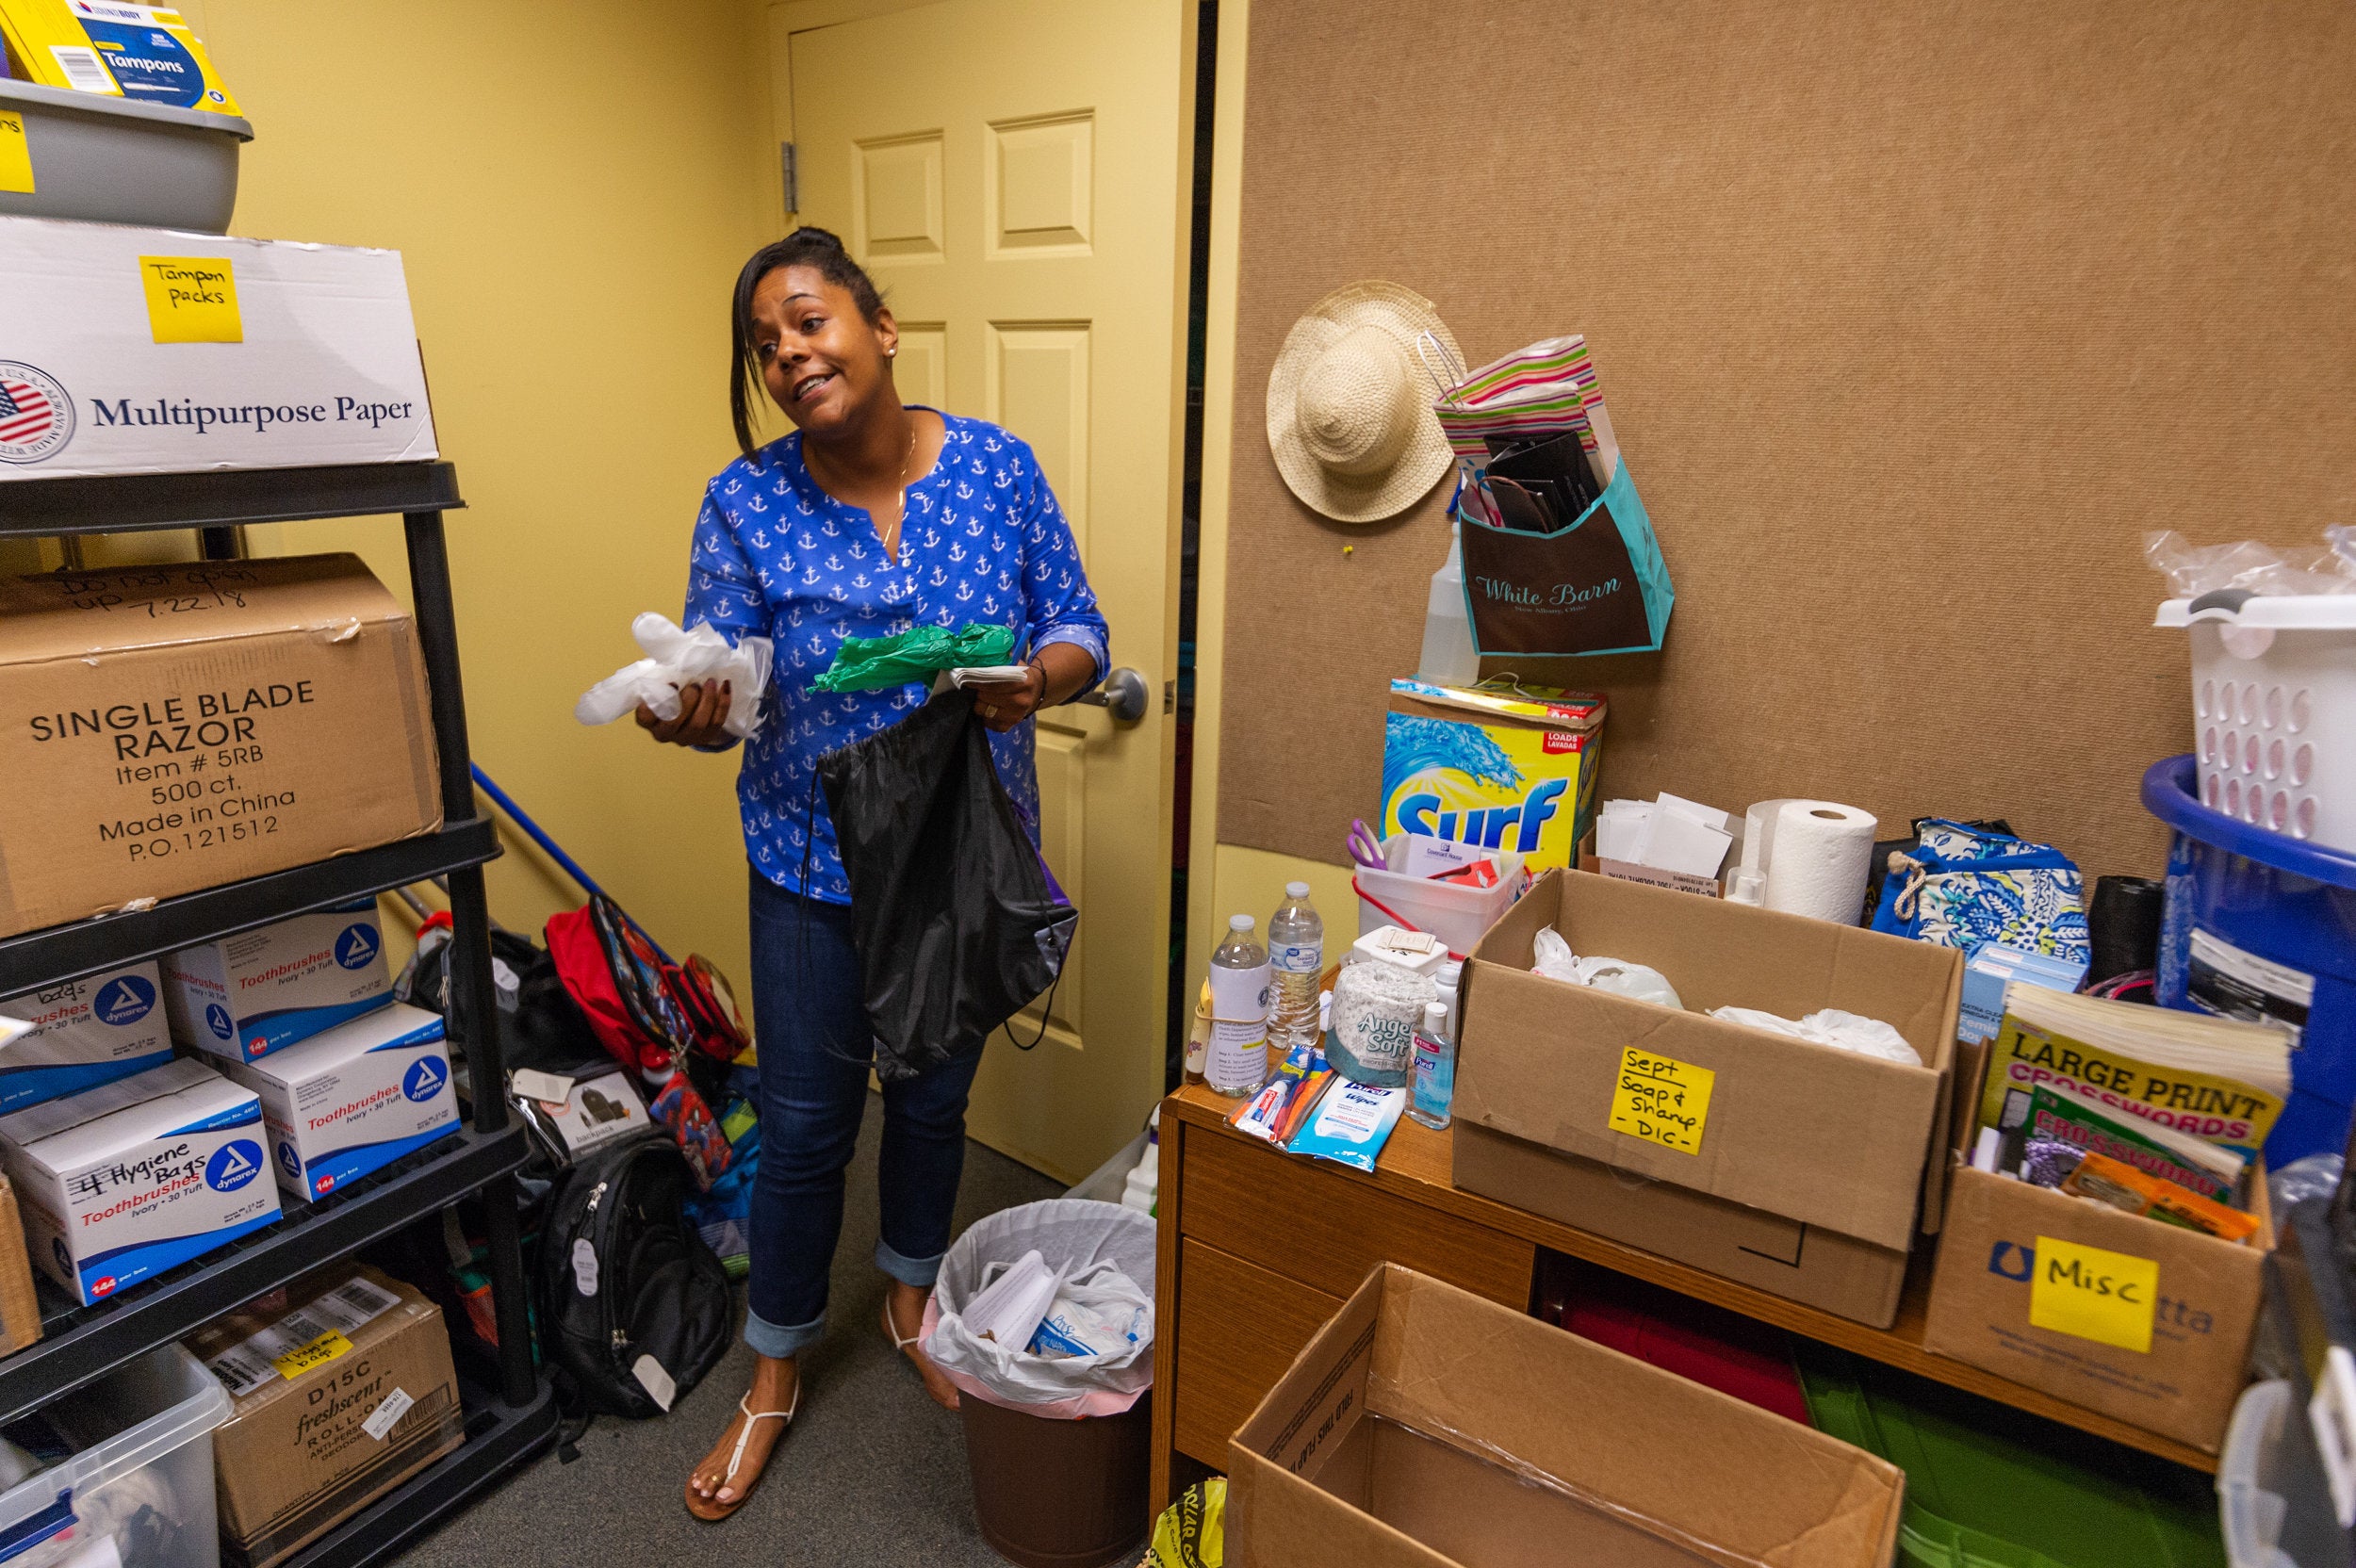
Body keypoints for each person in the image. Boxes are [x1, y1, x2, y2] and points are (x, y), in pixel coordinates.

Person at [640, 227, 1108, 1522]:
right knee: (800, 1135)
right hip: (809, 868)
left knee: (935, 1103)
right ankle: (775, 1371)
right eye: (767, 345)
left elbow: (1079, 623)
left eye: (810, 323)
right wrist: (697, 710)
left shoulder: (997, 470)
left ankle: (909, 1296)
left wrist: (1036, 681)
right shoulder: (746, 501)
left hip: (960, 858)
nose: (791, 355)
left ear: (882, 328)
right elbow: (726, 677)